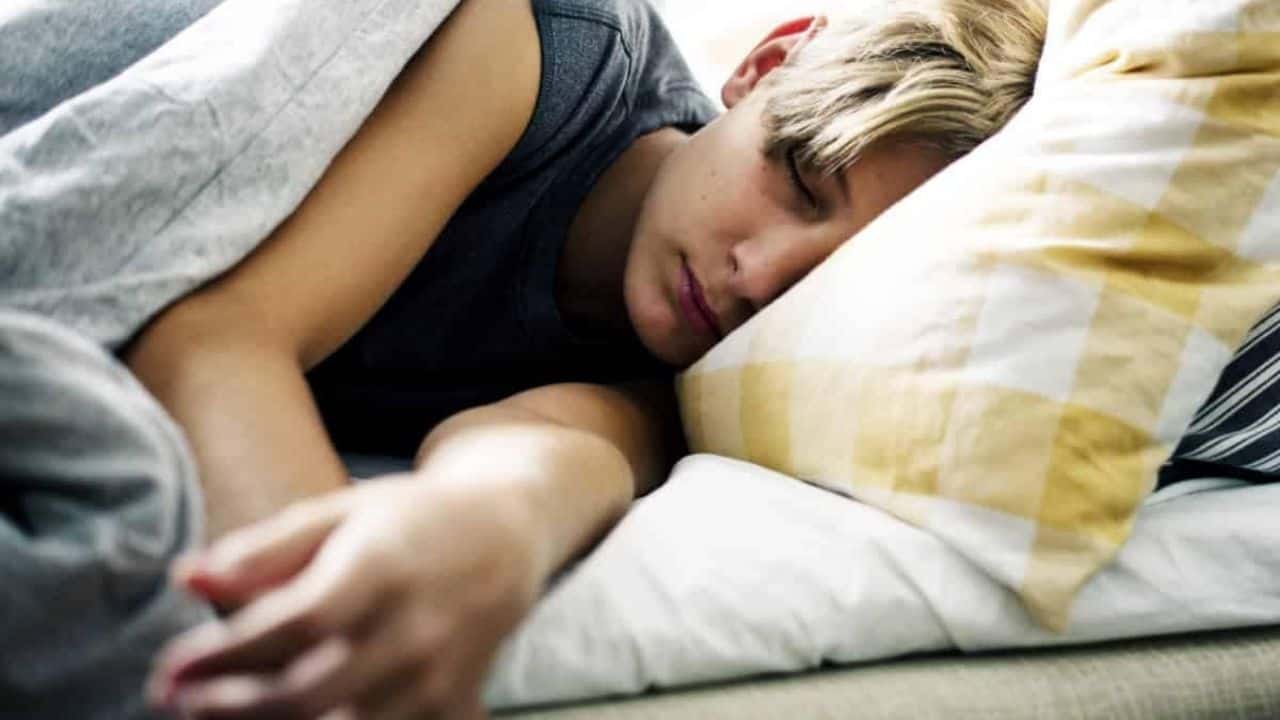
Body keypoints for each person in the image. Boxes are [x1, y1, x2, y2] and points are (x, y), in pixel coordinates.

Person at [120, 0, 1048, 717]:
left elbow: (555, 441)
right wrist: (339, 656)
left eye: (829, 282)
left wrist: (492, 526)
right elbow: (209, 336)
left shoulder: (721, 370)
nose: (760, 278)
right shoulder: (533, 55)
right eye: (801, 182)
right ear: (767, 64)